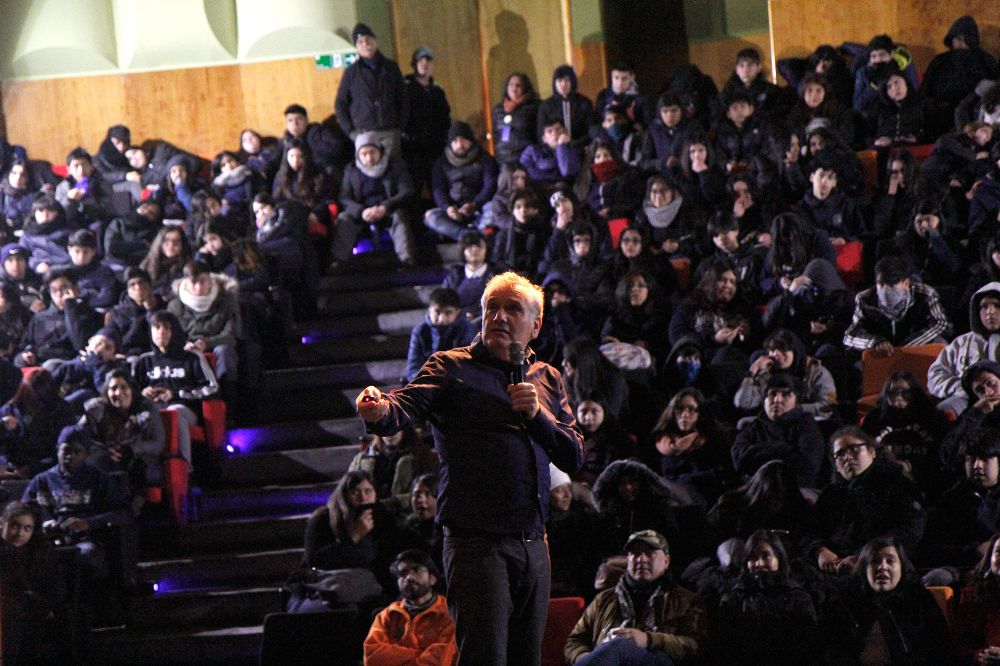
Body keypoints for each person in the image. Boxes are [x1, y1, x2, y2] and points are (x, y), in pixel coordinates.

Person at [356, 272, 584, 665]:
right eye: (491, 307)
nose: (499, 316)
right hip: (477, 547)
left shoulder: (547, 378)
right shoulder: (450, 367)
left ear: (535, 325)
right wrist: (379, 410)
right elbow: (403, 405)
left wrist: (537, 417)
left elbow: (574, 456)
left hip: (534, 544)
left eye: (512, 309)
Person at [563, 529, 707, 665]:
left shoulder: (686, 600)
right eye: (635, 553)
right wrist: (591, 658)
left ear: (666, 561)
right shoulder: (604, 599)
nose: (641, 559)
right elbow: (574, 641)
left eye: (650, 553)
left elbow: (696, 646)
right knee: (616, 647)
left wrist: (648, 640)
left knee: (621, 645)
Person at [808, 427, 925, 575]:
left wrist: (863, 557)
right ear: (836, 466)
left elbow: (907, 531)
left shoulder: (898, 485)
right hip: (832, 570)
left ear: (872, 452)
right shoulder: (831, 494)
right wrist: (819, 551)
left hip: (881, 569)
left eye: (854, 449)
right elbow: (810, 531)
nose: (847, 457)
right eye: (840, 454)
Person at [822, 535, 953, 663]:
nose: (882, 567)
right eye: (875, 561)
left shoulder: (919, 600)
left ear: (901, 567)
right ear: (864, 569)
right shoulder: (846, 602)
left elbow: (941, 650)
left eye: (890, 561)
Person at [21, 425, 132, 576]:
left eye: (77, 451)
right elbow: (21, 512)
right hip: (49, 542)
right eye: (66, 450)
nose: (70, 456)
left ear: (86, 454)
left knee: (84, 556)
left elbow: (123, 512)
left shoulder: (99, 479)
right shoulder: (41, 481)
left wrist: (88, 523)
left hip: (86, 540)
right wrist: (44, 524)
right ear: (58, 449)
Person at [712, 530, 818, 664]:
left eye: (766, 555)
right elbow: (726, 647)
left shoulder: (797, 597)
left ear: (778, 558)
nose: (759, 563)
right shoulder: (733, 599)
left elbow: (808, 646)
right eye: (752, 557)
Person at [302, 470, 403, 598]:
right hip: (329, 586)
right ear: (344, 495)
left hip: (371, 587)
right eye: (355, 492)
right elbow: (314, 560)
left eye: (368, 491)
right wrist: (354, 537)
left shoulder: (383, 517)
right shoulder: (322, 519)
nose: (363, 498)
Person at [921, 430, 1000, 584]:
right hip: (961, 568)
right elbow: (933, 548)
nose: (977, 466)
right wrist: (974, 550)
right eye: (971, 459)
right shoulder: (953, 499)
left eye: (984, 459)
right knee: (936, 579)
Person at [332, 133, 416, 269]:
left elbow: (406, 190)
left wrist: (385, 207)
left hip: (388, 210)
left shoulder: (395, 166)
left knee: (399, 217)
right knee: (344, 218)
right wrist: (361, 211)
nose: (369, 158)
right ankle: (338, 262)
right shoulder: (351, 170)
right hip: (362, 214)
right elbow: (344, 197)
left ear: (380, 150)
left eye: (372, 152)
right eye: (364, 154)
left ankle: (407, 260)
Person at [363, 549, 458, 666]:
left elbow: (440, 661)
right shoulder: (386, 615)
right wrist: (420, 653)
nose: (409, 577)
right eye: (402, 573)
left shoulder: (449, 614)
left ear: (432, 578)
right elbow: (372, 657)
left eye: (416, 570)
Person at [730, 374, 826, 488]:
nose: (777, 400)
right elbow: (739, 460)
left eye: (785, 394)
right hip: (755, 489)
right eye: (772, 394)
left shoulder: (807, 425)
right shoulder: (753, 427)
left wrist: (759, 452)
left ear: (796, 400)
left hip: (796, 489)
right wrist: (785, 450)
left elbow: (808, 464)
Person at [0, 502, 65, 665]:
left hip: (32, 613)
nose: (20, 533)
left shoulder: (40, 554)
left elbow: (52, 587)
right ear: (2, 523)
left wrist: (44, 606)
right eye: (14, 526)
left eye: (27, 528)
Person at [82, 369, 167, 491]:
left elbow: (158, 443)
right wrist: (103, 450)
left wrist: (132, 449)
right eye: (113, 388)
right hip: (106, 457)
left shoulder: (146, 408)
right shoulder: (98, 408)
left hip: (139, 460)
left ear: (132, 389)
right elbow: (79, 436)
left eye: (124, 387)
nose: (118, 393)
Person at [843, 255, 950, 351]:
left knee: (940, 343)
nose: (885, 290)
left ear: (906, 283)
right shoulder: (865, 299)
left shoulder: (926, 294)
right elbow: (850, 336)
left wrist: (908, 345)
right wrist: (876, 342)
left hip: (916, 348)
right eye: (881, 284)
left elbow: (941, 324)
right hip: (883, 353)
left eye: (891, 285)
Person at [651, 388, 734, 506]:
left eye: (691, 409)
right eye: (680, 409)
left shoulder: (713, 438)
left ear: (700, 414)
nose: (684, 415)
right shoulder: (661, 441)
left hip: (706, 495)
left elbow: (723, 471)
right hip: (671, 497)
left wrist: (688, 480)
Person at [335, 24, 408, 159]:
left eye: (368, 39)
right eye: (360, 41)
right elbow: (340, 104)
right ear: (356, 47)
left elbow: (403, 99)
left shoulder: (391, 68)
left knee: (393, 168)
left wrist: (399, 128)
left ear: (375, 41)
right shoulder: (351, 72)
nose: (365, 43)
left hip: (390, 133)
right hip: (363, 134)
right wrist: (351, 132)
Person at [929, 282, 1000, 413]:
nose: (990, 311)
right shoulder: (961, 342)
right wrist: (963, 388)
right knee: (944, 410)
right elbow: (935, 375)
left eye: (997, 305)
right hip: (968, 402)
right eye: (984, 306)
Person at [735, 329, 837, 419]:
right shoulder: (766, 373)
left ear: (795, 351)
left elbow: (828, 406)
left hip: (806, 422)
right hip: (773, 424)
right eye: (772, 350)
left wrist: (794, 409)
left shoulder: (817, 372)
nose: (776, 354)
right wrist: (752, 373)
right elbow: (743, 403)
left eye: (782, 349)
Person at [424, 121, 499, 240]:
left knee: (494, 207)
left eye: (463, 140)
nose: (460, 145)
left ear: (470, 140)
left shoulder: (485, 159)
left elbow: (490, 185)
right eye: (455, 141)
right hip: (454, 211)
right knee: (431, 217)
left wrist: (475, 204)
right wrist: (448, 208)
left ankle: (479, 234)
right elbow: (438, 190)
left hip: (479, 208)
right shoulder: (441, 163)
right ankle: (469, 237)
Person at [402, 46, 451, 197]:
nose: (424, 63)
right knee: (413, 190)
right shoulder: (405, 88)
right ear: (414, 64)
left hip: (435, 148)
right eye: (420, 60)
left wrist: (444, 140)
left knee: (438, 188)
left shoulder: (437, 90)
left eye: (428, 60)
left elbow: (445, 118)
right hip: (412, 149)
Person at [404, 287, 476, 382]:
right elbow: (413, 367)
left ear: (457, 312)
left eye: (448, 313)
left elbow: (469, 365)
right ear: (430, 310)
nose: (441, 318)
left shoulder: (467, 330)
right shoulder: (420, 331)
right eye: (437, 312)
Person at [440, 229, 497, 320]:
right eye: (469, 246)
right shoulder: (453, 276)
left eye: (479, 246)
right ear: (463, 251)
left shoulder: (498, 275)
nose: (474, 249)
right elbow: (442, 302)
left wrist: (475, 315)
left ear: (486, 250)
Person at [537, 65, 594, 149]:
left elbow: (591, 130)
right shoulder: (546, 106)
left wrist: (573, 143)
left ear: (572, 81)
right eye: (559, 81)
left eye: (567, 80)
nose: (563, 84)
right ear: (554, 83)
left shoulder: (584, 103)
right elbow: (541, 135)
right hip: (554, 152)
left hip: (580, 149)